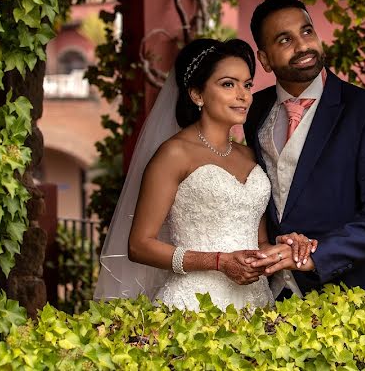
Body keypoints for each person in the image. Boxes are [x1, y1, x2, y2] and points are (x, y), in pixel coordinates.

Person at [93, 38, 314, 310]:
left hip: (255, 305)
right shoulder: (174, 154)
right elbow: (139, 245)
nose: (243, 95)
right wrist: (219, 262)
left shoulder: (250, 155)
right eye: (228, 84)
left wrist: (283, 249)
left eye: (247, 84)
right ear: (197, 94)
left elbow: (258, 242)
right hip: (193, 306)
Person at [244, 0, 365, 299]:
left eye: (306, 31)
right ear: (265, 59)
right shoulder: (252, 111)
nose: (303, 45)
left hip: (351, 299)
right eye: (284, 40)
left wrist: (318, 256)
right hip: (270, 299)